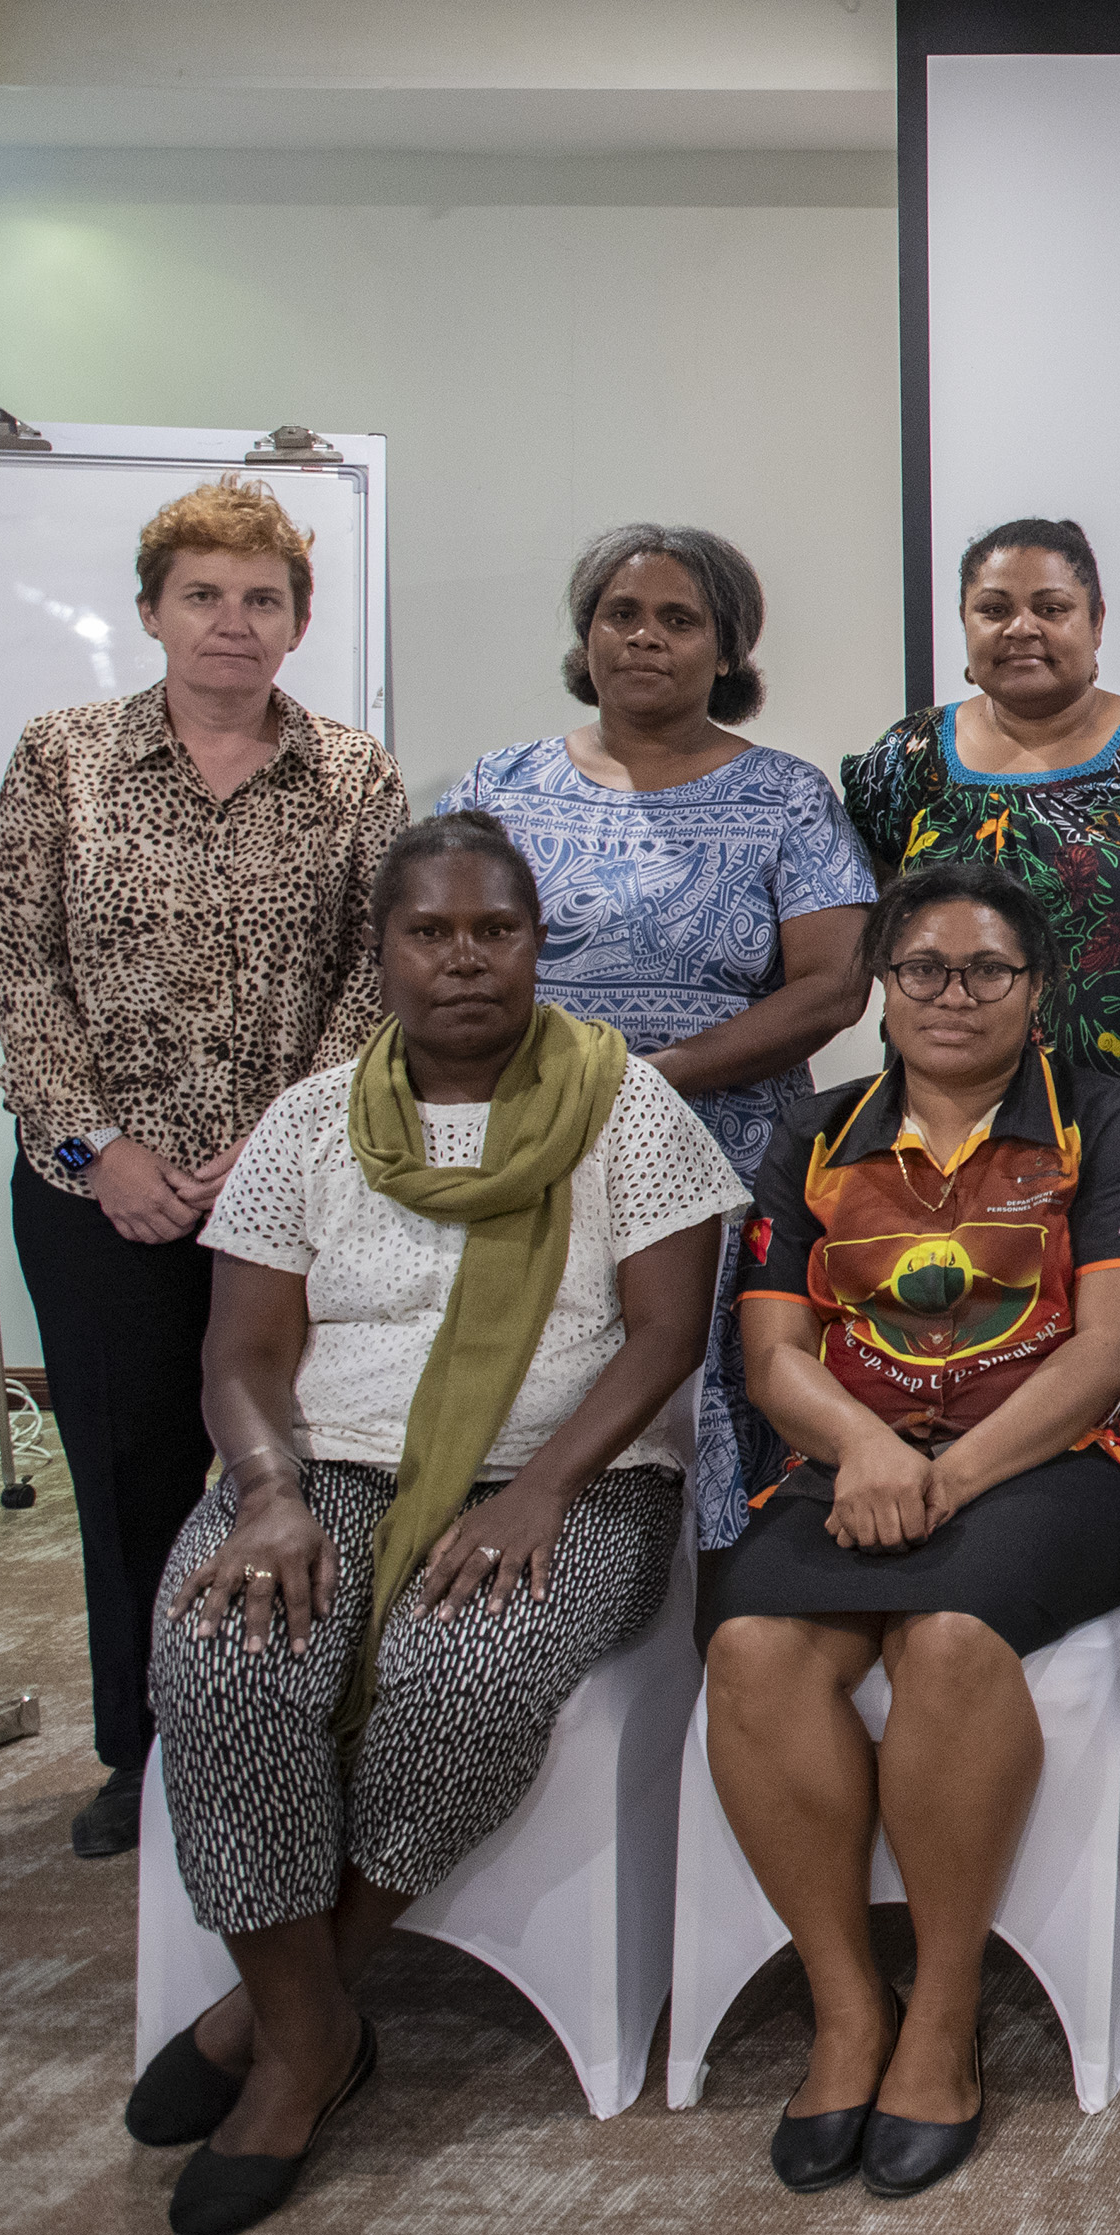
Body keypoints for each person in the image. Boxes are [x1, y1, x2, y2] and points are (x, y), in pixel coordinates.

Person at [132, 813, 739, 2234]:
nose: (464, 959)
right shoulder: (307, 1120)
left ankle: (281, 2037)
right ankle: (313, 2024)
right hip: (325, 1464)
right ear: (384, 948)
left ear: (537, 942)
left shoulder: (628, 1105)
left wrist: (541, 1487)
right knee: (225, 1657)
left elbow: (661, 1339)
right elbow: (240, 1353)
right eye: (430, 931)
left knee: (465, 1673)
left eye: (495, 930)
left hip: (573, 1475)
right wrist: (269, 1491)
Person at [702, 862, 1120, 2200]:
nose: (953, 992)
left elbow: (1104, 1352)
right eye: (923, 966)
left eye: (987, 969)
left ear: (1036, 991)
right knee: (752, 1647)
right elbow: (773, 1350)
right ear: (882, 986)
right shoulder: (813, 1133)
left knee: (953, 1635)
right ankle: (849, 2001)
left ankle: (945, 2008)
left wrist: (952, 1471)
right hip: (853, 1461)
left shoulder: (1102, 1117)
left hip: (1060, 1462)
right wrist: (864, 1446)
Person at [0, 472, 405, 1862]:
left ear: (298, 618)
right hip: (98, 1186)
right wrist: (106, 1150)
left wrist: (275, 1145)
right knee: (129, 1461)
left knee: (282, 1450)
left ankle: (282, 1720)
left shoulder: (353, 772)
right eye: (204, 595)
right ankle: (142, 1752)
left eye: (261, 597)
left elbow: (374, 970)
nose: (233, 621)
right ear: (152, 609)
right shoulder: (63, 757)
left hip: (295, 1189)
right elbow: (20, 964)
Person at [840, 518, 1120, 1596]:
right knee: (962, 1348)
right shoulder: (903, 765)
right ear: (965, 623)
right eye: (995, 608)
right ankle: (962, 1563)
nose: (1022, 628)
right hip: (954, 1140)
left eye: (1050, 606)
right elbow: (891, 931)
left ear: (1095, 619)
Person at [446, 522, 876, 1552]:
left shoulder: (785, 794)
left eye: (679, 619)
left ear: (727, 650)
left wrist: (648, 1080)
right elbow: (435, 960)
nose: (645, 638)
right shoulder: (498, 788)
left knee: (717, 1394)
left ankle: (727, 1617)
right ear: (586, 636)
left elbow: (833, 987)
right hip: (527, 1144)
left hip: (723, 1154)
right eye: (620, 614)